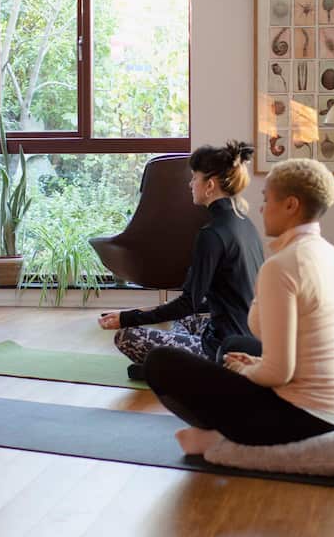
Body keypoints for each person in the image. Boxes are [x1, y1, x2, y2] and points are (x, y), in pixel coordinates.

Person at [144, 158, 334, 454]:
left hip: (310, 417)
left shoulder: (283, 267)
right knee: (236, 343)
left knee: (160, 362)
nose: (261, 208)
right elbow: (303, 347)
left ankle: (224, 438)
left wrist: (246, 371)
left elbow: (278, 374)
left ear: (291, 205)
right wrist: (257, 364)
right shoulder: (330, 254)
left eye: (266, 199)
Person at [99, 141, 265, 379]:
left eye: (194, 178)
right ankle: (171, 368)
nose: (190, 184)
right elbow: (219, 300)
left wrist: (127, 317)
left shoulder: (212, 234)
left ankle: (184, 372)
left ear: (209, 185)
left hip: (223, 351)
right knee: (182, 322)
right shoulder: (244, 223)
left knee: (125, 336)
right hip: (248, 339)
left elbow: (189, 303)